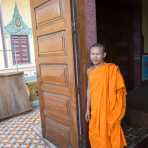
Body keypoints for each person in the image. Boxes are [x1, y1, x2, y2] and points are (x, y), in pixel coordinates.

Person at [85, 43, 127, 148]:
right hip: (95, 109)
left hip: (108, 109)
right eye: (92, 54)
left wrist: (116, 109)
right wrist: (87, 109)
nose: (94, 56)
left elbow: (119, 91)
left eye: (98, 54)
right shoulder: (89, 71)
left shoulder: (111, 69)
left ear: (104, 55)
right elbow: (89, 89)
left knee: (109, 131)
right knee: (95, 132)